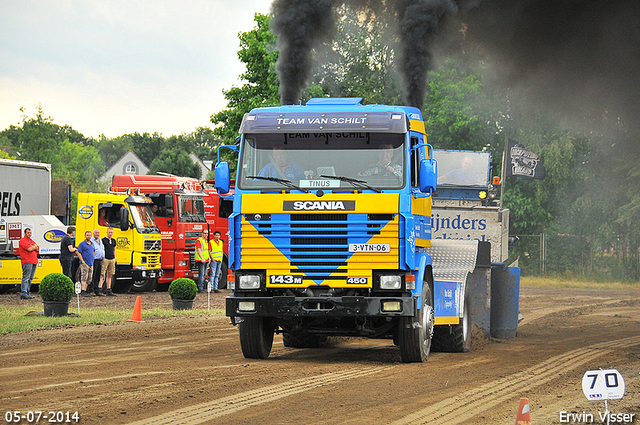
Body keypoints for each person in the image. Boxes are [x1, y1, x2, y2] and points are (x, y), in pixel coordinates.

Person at [18, 227, 39, 299]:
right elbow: (29, 249)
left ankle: (27, 292)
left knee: (30, 278)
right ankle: (24, 293)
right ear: (25, 233)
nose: (29, 234)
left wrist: (34, 247)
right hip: (27, 261)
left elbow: (37, 248)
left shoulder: (31, 241)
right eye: (28, 232)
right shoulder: (22, 241)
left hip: (34, 261)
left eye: (30, 232)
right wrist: (34, 247)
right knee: (26, 278)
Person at [76, 230, 95, 297]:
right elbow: (79, 253)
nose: (89, 236)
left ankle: (85, 290)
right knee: (84, 276)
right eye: (87, 235)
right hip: (85, 263)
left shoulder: (92, 244)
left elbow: (94, 251)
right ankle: (82, 290)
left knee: (89, 278)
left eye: (90, 235)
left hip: (91, 263)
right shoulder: (82, 244)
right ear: (85, 236)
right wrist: (82, 261)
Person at [99, 227, 117, 296]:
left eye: (111, 232)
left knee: (110, 274)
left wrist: (115, 257)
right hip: (105, 258)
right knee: (102, 274)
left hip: (112, 258)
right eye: (109, 232)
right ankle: (100, 288)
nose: (110, 234)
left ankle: (108, 289)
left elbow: (114, 249)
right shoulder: (103, 240)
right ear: (107, 232)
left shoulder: (113, 240)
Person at [90, 229, 105, 296]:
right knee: (93, 275)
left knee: (98, 276)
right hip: (94, 260)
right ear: (93, 233)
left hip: (100, 260)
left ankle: (97, 290)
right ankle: (91, 290)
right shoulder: (91, 240)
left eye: (98, 233)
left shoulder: (100, 240)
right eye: (96, 233)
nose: (97, 234)